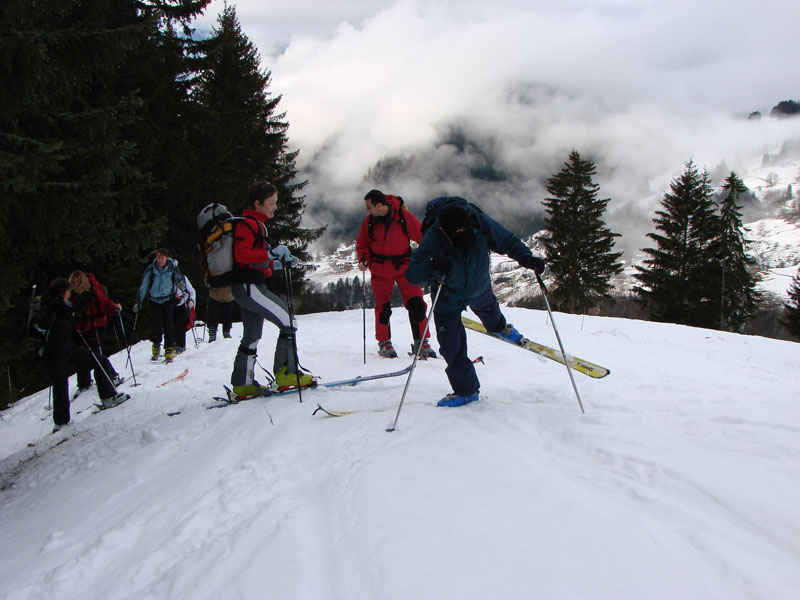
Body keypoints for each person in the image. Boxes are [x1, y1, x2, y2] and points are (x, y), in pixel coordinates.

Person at [405, 200, 546, 407]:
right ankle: (467, 391)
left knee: (488, 309)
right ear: (443, 231)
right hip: (447, 295)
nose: (462, 235)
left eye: (465, 230)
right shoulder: (434, 234)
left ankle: (500, 328)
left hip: (479, 286)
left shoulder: (480, 222)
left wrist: (527, 258)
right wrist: (433, 267)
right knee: (451, 347)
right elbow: (412, 274)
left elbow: (507, 241)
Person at [229, 181, 315, 397]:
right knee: (288, 322)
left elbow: (255, 261)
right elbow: (242, 255)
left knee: (251, 335)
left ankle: (243, 384)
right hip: (250, 287)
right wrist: (271, 254)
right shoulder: (249, 224)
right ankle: (287, 374)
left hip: (246, 287)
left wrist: (276, 262)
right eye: (271, 203)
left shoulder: (256, 225)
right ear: (257, 204)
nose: (275, 207)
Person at [36, 278, 129, 432]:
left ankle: (108, 396)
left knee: (99, 361)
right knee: (60, 385)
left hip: (69, 348)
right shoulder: (49, 307)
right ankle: (61, 422)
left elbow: (70, 321)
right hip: (54, 353)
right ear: (62, 292)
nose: (69, 293)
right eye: (68, 291)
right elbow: (44, 325)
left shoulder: (64, 305)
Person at [355, 189, 435, 359]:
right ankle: (384, 343)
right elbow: (362, 244)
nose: (367, 210)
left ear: (379, 205)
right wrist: (363, 258)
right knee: (383, 308)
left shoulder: (403, 216)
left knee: (417, 304)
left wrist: (433, 254)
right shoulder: (369, 221)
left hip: (404, 267)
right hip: (381, 269)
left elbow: (422, 236)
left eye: (369, 207)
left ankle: (422, 342)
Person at [69, 270, 124, 394]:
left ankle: (112, 377)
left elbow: (104, 303)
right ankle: (84, 382)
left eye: (77, 283)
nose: (75, 285)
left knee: (95, 354)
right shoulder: (72, 295)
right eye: (73, 283)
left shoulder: (93, 291)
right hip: (81, 327)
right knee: (83, 354)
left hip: (96, 325)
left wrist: (114, 307)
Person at [134, 248, 186, 362]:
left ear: (167, 258)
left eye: (162, 258)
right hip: (154, 300)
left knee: (169, 324)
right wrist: (139, 301)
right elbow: (144, 285)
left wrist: (181, 286)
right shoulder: (151, 269)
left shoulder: (172, 267)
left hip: (169, 299)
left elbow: (179, 279)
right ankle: (156, 345)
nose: (160, 261)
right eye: (158, 258)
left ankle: (169, 348)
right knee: (157, 324)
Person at [173, 274, 196, 353]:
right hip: (169, 304)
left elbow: (192, 291)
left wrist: (192, 301)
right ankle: (170, 345)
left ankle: (180, 346)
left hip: (183, 303)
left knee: (180, 325)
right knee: (169, 325)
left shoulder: (182, 278)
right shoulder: (164, 277)